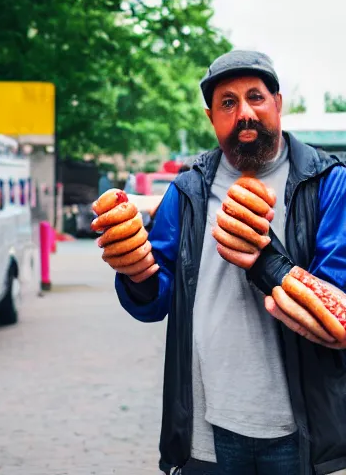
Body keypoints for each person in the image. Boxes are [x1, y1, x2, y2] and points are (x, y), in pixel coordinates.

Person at [104, 50, 346, 475]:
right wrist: (135, 272)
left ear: (277, 103)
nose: (245, 113)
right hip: (206, 419)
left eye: (255, 97)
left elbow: (333, 303)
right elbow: (156, 298)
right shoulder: (188, 189)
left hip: (297, 424)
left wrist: (263, 259)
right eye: (228, 103)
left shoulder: (328, 183)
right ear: (211, 117)